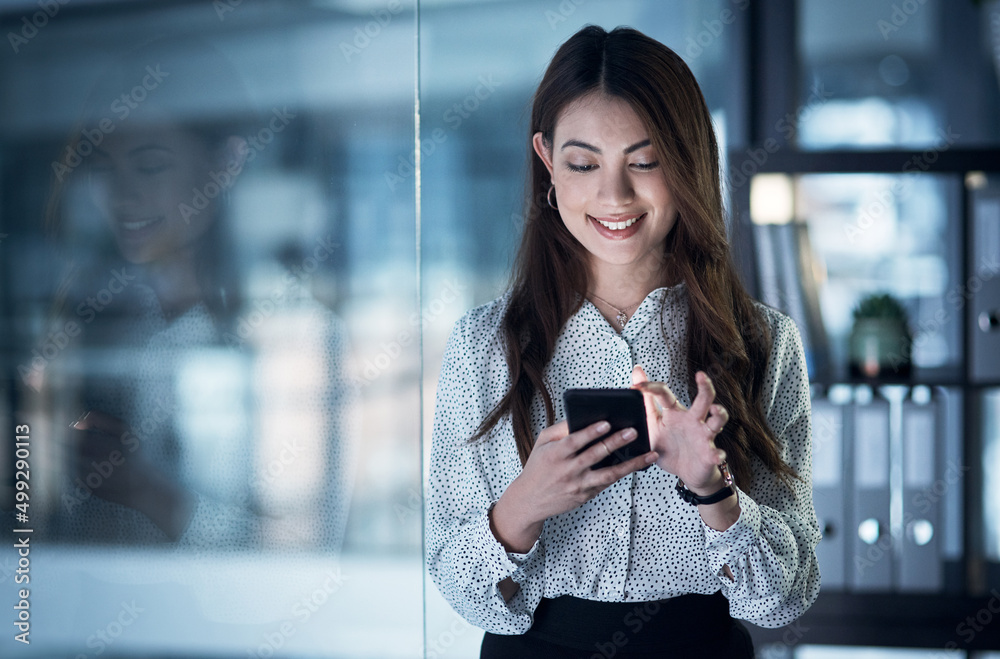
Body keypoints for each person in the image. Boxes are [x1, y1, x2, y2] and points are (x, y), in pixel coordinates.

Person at [426, 25, 821, 658]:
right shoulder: (483, 345)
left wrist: (714, 489)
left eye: (644, 162)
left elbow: (785, 598)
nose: (615, 195)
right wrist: (523, 507)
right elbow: (459, 585)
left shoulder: (763, 341)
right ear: (547, 162)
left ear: (687, 161)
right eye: (584, 163)